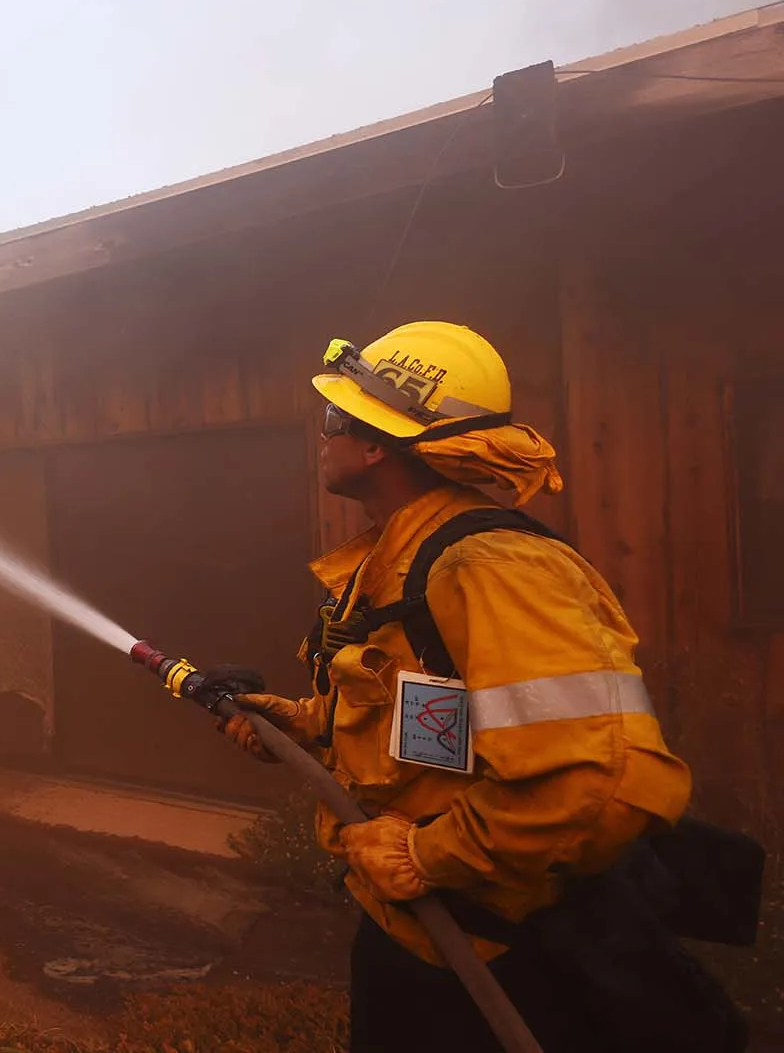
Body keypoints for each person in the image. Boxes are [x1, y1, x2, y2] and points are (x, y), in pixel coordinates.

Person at [216, 322, 744, 1052]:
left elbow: (596, 780)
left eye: (334, 417)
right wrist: (303, 724)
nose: (322, 435)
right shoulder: (400, 561)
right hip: (419, 937)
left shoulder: (490, 567)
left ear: (376, 446)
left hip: (494, 956)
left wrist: (426, 857)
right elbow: (431, 717)